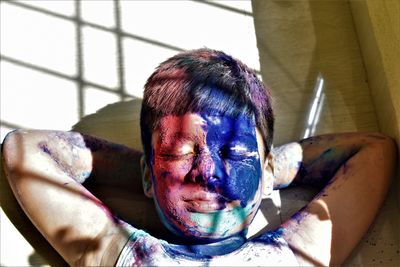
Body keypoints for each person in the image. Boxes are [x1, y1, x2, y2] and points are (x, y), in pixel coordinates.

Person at [2, 48, 397, 266]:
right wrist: (154, 173)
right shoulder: (121, 255)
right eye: (180, 151)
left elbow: (373, 151)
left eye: (232, 152)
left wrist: (262, 171)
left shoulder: (294, 256)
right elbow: (25, 150)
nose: (207, 172)